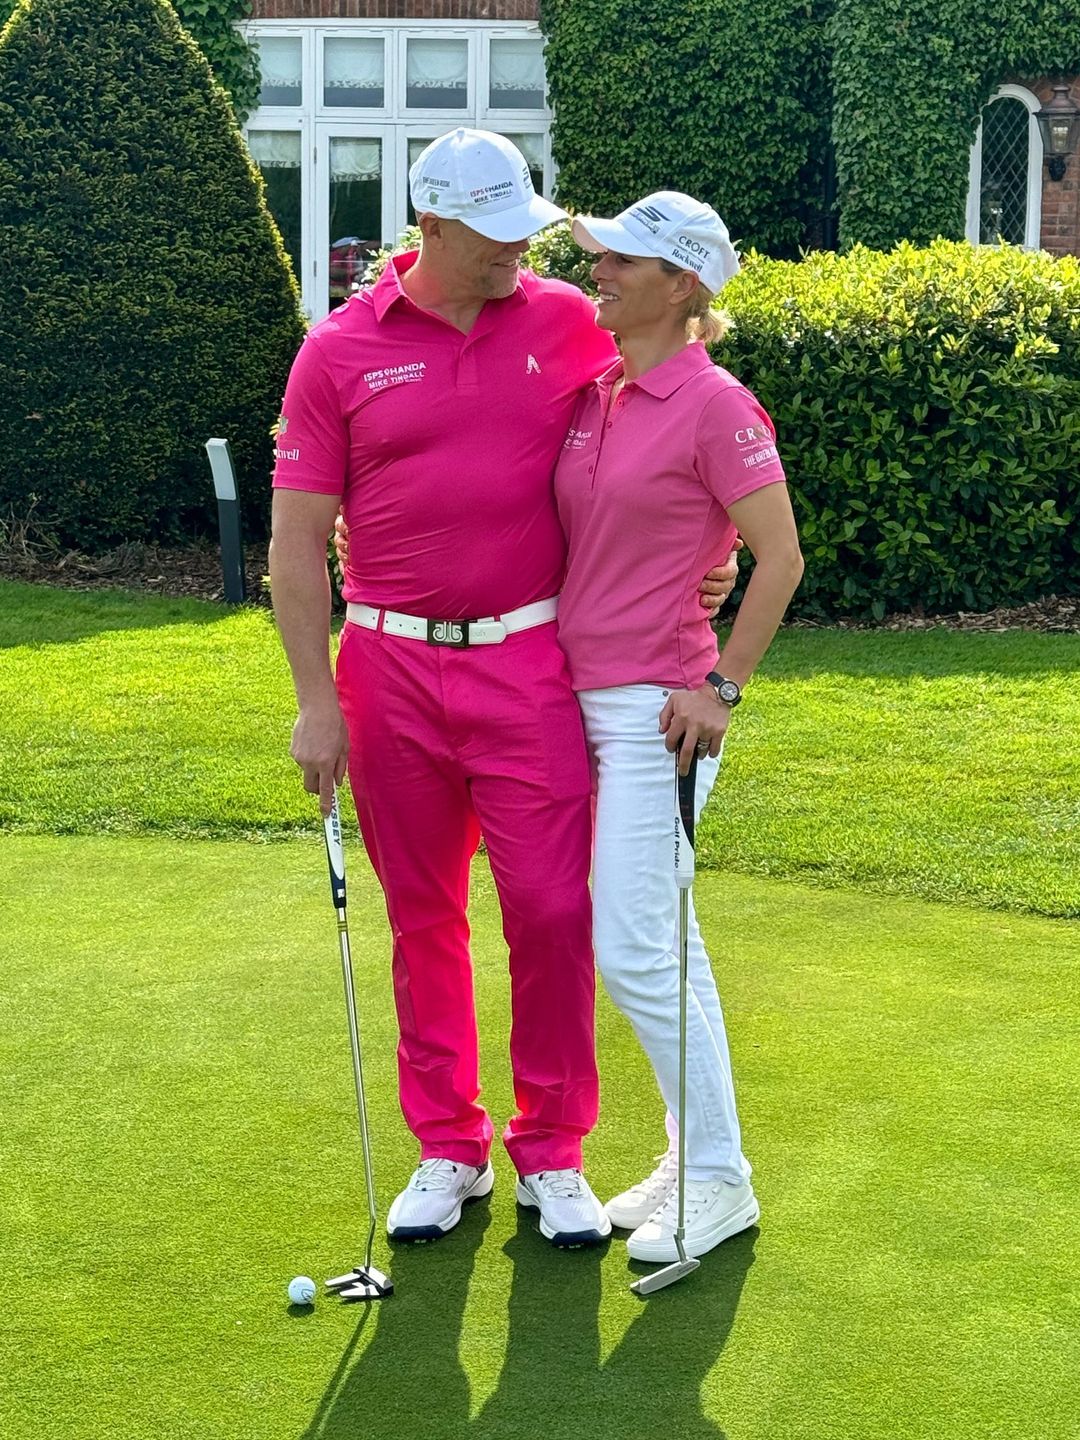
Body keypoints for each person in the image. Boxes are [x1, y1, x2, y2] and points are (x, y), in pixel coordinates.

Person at [269, 130, 737, 1250]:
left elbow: (684, 423)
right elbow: (295, 547)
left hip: (532, 668)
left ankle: (555, 1150)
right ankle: (448, 1146)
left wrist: (706, 556)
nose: (526, 245)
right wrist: (313, 701)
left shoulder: (570, 324)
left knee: (552, 910)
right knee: (423, 914)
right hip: (383, 668)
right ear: (432, 226)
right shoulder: (336, 351)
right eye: (500, 230)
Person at [557, 192, 804, 1264]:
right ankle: (687, 1153)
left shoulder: (717, 405)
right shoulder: (599, 392)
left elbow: (780, 559)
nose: (601, 269)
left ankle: (721, 1180)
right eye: (602, 253)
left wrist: (723, 688)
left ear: (685, 284)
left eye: (625, 258)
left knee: (638, 952)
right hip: (576, 703)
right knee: (663, 948)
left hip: (661, 714)